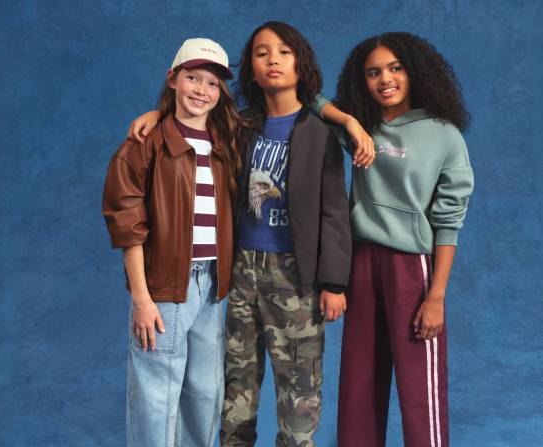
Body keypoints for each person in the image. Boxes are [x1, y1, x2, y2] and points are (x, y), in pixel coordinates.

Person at [128, 21, 374, 446]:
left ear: (301, 63)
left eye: (284, 51)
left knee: (299, 386)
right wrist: (158, 113)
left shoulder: (319, 133)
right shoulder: (238, 127)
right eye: (262, 53)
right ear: (251, 71)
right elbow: (192, 116)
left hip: (297, 277)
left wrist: (334, 282)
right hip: (240, 273)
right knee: (234, 386)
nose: (273, 59)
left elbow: (335, 213)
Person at [313, 32, 475, 447]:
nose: (385, 79)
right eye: (373, 72)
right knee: (359, 384)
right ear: (361, 80)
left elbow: (448, 221)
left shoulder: (443, 135)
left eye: (395, 68)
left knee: (420, 390)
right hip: (361, 263)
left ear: (414, 72)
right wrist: (349, 120)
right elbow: (306, 97)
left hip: (412, 268)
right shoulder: (359, 129)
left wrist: (435, 296)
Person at [102, 37, 241, 447]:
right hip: (163, 287)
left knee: (204, 394)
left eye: (212, 83)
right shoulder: (143, 145)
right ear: (172, 80)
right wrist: (142, 299)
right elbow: (128, 225)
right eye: (192, 78)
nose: (201, 89)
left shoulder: (226, 143)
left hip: (213, 286)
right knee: (156, 395)